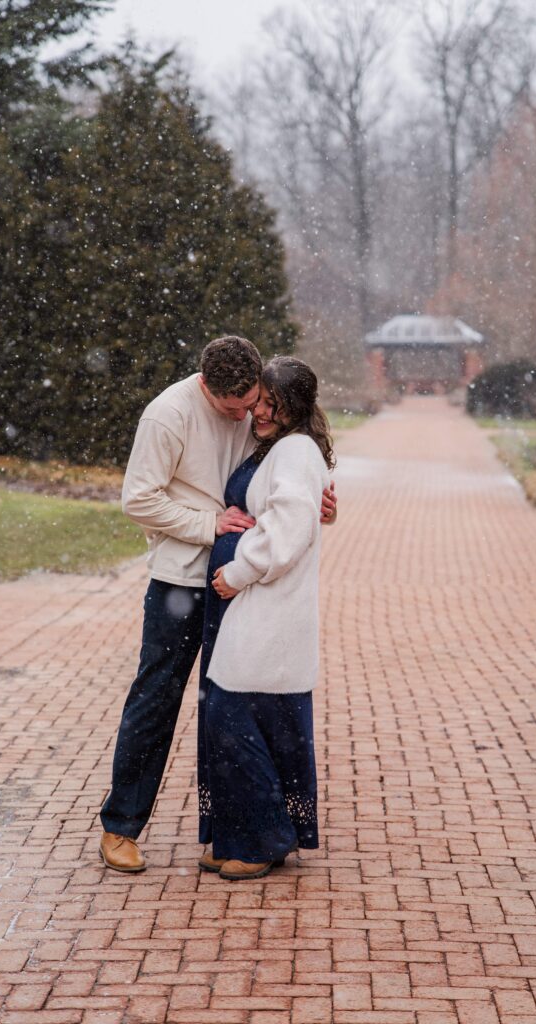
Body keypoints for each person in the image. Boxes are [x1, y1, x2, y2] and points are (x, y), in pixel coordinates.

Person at [99, 337, 336, 873]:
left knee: (226, 710)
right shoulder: (168, 415)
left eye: (253, 404)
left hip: (242, 588)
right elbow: (138, 498)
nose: (247, 417)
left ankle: (239, 831)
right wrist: (208, 524)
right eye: (235, 409)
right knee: (157, 698)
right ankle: (121, 827)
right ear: (206, 386)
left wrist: (321, 501)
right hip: (182, 582)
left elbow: (285, 475)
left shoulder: (258, 406)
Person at [197, 356, 335, 880]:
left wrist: (238, 570)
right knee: (255, 722)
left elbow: (288, 529)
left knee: (230, 718)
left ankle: (261, 840)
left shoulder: (295, 450)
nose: (260, 412)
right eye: (261, 401)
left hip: (269, 604)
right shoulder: (280, 445)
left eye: (272, 405)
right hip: (258, 603)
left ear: (294, 407)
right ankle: (247, 835)